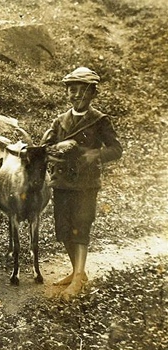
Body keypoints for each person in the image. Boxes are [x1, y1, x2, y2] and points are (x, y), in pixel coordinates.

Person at [41, 66, 122, 301]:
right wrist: (52, 151)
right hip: (62, 182)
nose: (76, 95)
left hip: (86, 184)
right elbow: (46, 145)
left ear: (93, 94)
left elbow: (116, 149)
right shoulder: (60, 121)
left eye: (82, 91)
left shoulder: (99, 121)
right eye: (72, 91)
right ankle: (78, 271)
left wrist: (95, 154)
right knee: (64, 228)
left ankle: (77, 278)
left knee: (81, 226)